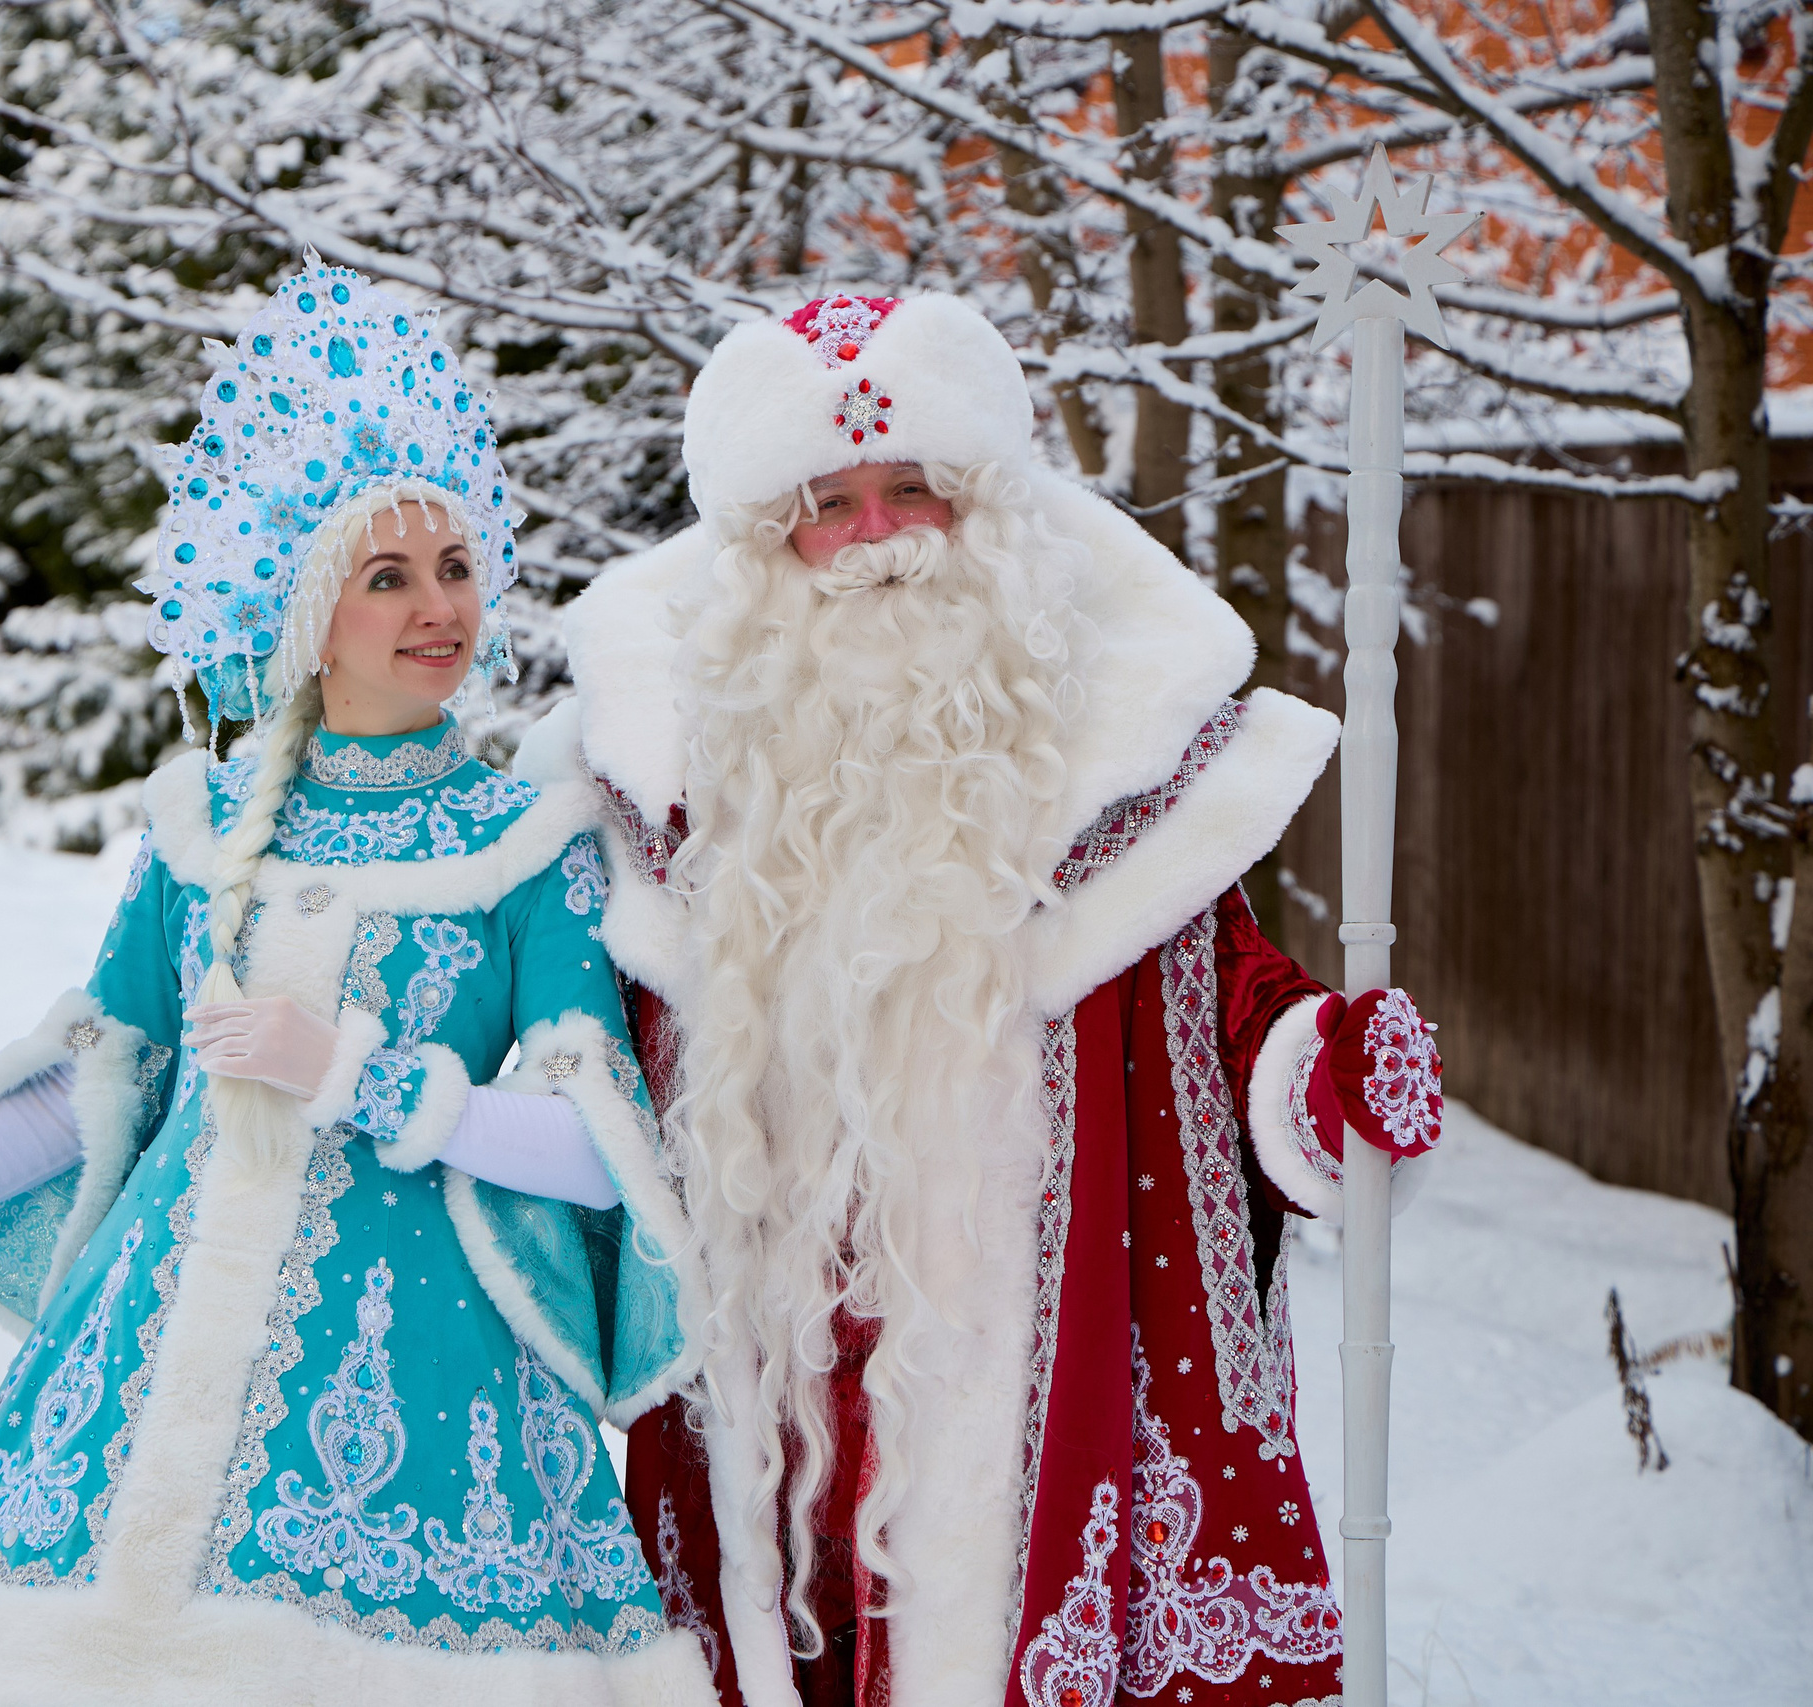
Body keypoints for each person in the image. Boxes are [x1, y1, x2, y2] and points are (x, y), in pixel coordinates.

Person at [0, 262, 716, 1707]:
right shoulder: (203, 830)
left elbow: (604, 1155)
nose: (435, 608)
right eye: (385, 577)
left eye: (454, 569)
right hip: (148, 1373)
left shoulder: (525, 842)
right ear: (304, 604)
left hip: (425, 1396)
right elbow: (105, 1086)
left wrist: (364, 1080)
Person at [510, 292, 1444, 1707]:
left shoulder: (1124, 792)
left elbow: (1236, 1007)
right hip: (765, 1387)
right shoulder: (656, 815)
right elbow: (565, 1074)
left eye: (914, 493)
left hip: (1026, 1374)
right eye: (833, 503)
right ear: (770, 545)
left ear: (986, 518)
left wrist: (1329, 1067)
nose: (878, 538)